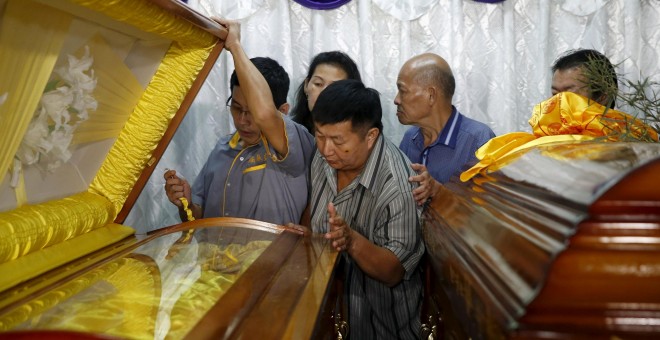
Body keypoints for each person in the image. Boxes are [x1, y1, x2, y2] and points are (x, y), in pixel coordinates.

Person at [296, 79, 424, 339]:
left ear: (370, 136)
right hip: (328, 318)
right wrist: (307, 237)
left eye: (337, 140)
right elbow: (316, 206)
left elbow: (393, 271)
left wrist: (351, 240)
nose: (325, 149)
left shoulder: (398, 186)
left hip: (380, 327)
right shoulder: (323, 156)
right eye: (319, 136)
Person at [163, 19, 315, 225]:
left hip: (273, 258)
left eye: (251, 111)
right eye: (236, 107)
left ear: (283, 111)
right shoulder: (221, 149)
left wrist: (234, 46)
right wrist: (186, 203)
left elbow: (266, 115)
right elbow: (198, 219)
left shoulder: (295, 145)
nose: (242, 121)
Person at [395, 53, 495, 204]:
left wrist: (437, 190)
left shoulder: (479, 140)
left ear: (431, 95)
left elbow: (490, 212)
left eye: (402, 91)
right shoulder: (410, 138)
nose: (396, 100)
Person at [290, 51, 362, 133]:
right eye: (318, 84)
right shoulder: (290, 133)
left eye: (334, 87)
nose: (324, 93)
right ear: (306, 85)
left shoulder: (360, 135)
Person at [551, 48, 618, 109]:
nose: (559, 104)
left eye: (569, 95)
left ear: (602, 97)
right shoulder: (544, 120)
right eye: (555, 94)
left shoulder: (623, 122)